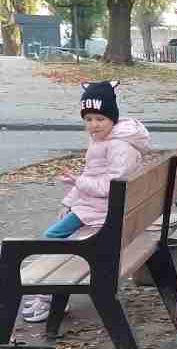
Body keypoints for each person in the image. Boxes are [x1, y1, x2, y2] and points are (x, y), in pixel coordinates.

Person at [22, 81, 151, 323]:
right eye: (89, 119)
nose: (93, 125)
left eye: (99, 119)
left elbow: (108, 187)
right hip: (98, 209)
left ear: (112, 117)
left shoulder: (118, 146)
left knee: (50, 240)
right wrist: (68, 201)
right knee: (54, 235)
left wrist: (77, 184)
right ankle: (52, 293)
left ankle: (49, 297)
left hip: (103, 213)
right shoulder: (105, 139)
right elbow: (92, 175)